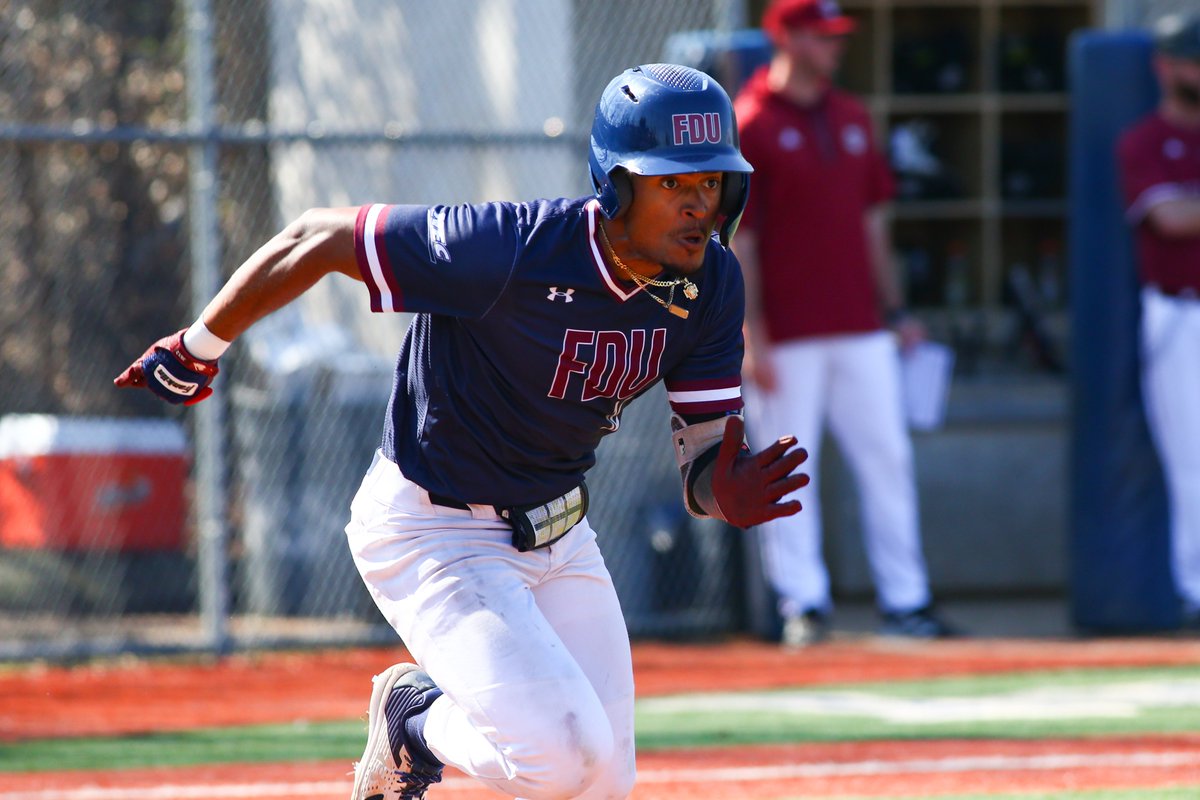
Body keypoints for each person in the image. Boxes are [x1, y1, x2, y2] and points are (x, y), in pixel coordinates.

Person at [115, 63, 810, 800]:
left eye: (711, 183)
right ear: (615, 183)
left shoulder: (712, 286)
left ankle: (426, 728)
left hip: (562, 533)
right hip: (433, 529)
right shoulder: (512, 250)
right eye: (672, 183)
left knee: (603, 781)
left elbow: (703, 458)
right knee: (565, 758)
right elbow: (317, 237)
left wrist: (718, 492)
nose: (698, 203)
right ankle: (412, 721)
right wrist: (198, 346)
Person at [731, 0, 956, 647]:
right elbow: (739, 241)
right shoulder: (751, 120)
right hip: (789, 331)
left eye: (836, 36)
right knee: (787, 470)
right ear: (787, 35)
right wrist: (753, 332)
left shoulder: (852, 115)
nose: (835, 46)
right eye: (822, 35)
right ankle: (802, 602)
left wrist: (897, 311)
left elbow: (874, 222)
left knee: (888, 456)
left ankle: (907, 600)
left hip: (861, 325)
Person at [1117, 13, 1200, 632]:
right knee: (1191, 456)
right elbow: (1168, 217)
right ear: (1165, 65)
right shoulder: (1144, 139)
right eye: (1190, 58)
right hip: (1180, 313)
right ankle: (1195, 589)